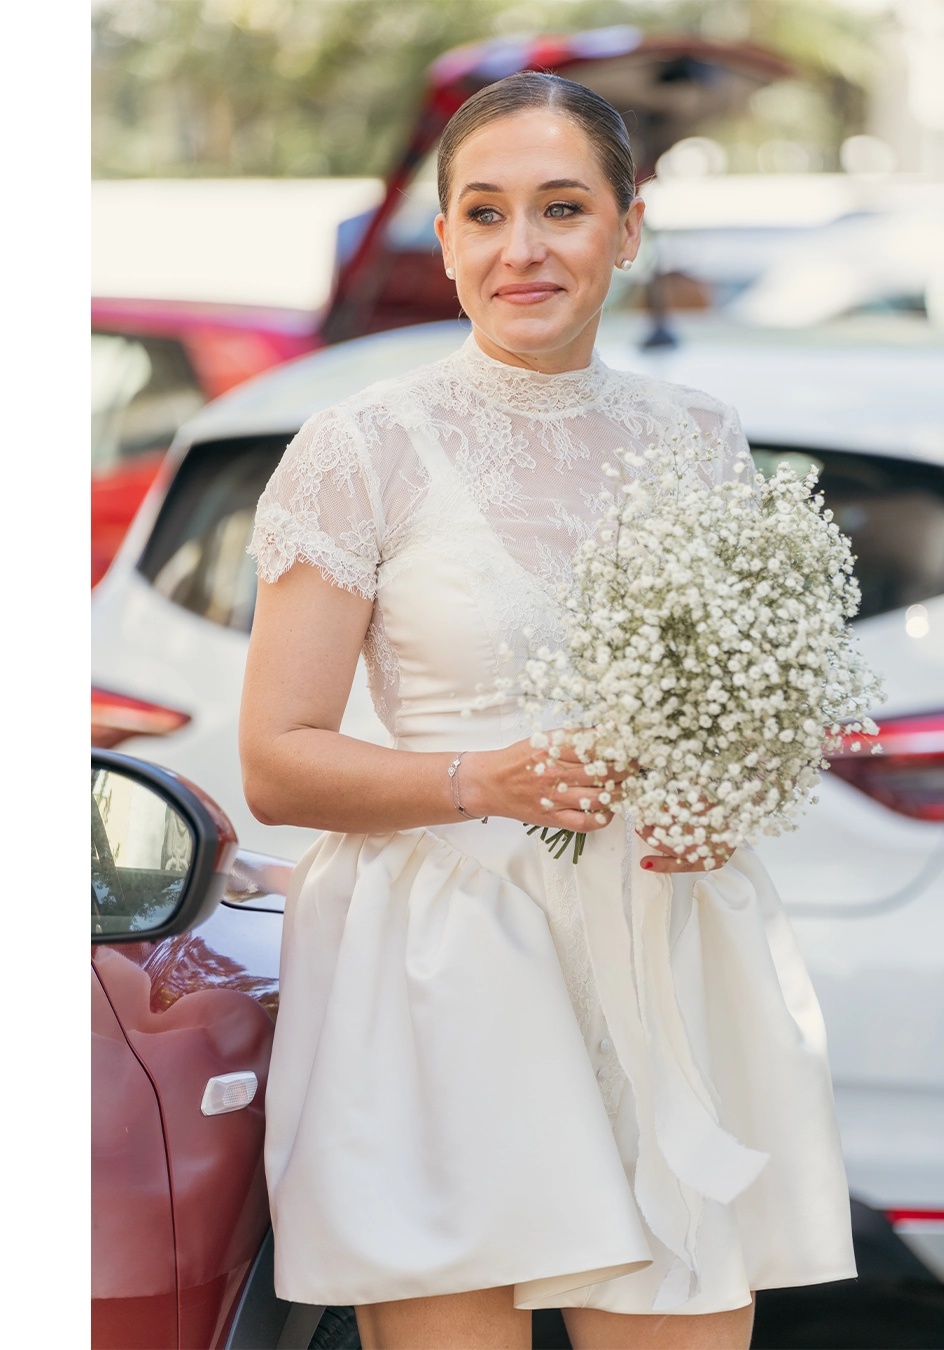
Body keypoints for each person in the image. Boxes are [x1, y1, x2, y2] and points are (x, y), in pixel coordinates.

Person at [239, 72, 856, 1350]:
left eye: (562, 208)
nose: (521, 247)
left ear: (628, 230)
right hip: (440, 977)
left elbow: (733, 700)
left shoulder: (700, 435)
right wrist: (480, 780)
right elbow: (277, 763)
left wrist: (717, 801)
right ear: (446, 241)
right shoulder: (361, 447)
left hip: (662, 953)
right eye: (485, 213)